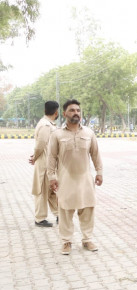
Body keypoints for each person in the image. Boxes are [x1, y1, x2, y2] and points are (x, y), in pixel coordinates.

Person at [47, 99, 103, 255]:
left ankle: (87, 240)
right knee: (65, 210)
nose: (76, 113)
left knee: (87, 209)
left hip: (85, 178)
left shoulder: (89, 133)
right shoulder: (57, 134)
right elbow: (51, 157)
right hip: (65, 179)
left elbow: (95, 154)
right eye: (72, 110)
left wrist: (99, 172)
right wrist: (51, 176)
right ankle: (66, 242)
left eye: (78, 110)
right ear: (64, 114)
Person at [30, 101, 59, 227]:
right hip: (44, 163)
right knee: (42, 191)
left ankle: (59, 214)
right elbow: (40, 144)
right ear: (56, 112)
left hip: (50, 163)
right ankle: (40, 219)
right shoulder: (46, 125)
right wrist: (35, 157)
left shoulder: (48, 124)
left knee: (53, 190)